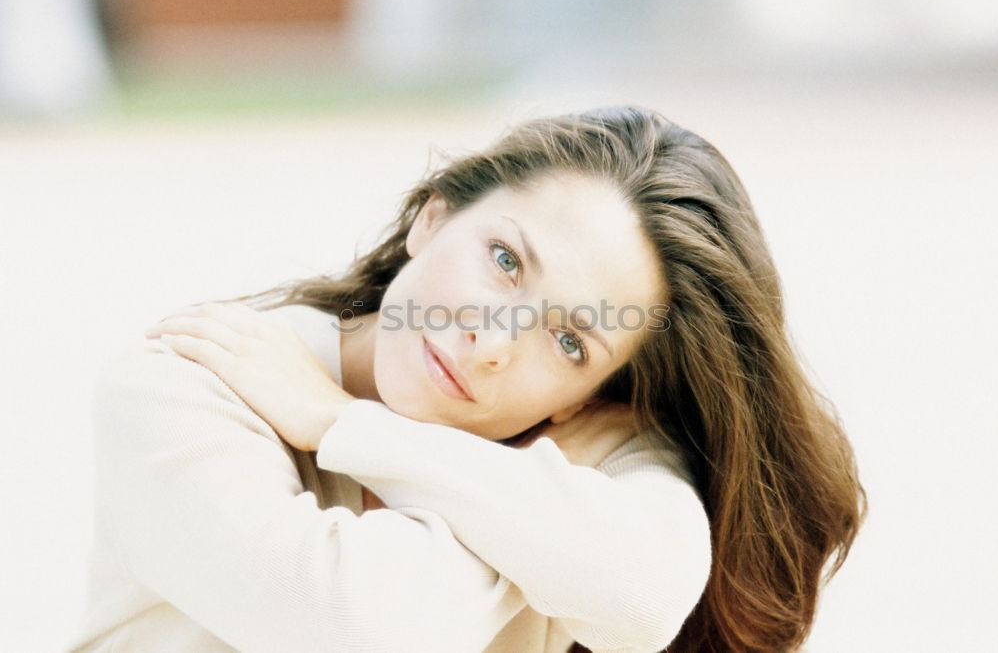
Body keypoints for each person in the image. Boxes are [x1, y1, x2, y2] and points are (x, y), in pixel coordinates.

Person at [67, 106, 867, 653]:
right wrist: (535, 518)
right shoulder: (185, 383)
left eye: (570, 339)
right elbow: (351, 623)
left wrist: (348, 427)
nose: (492, 340)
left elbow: (648, 598)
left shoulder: (604, 435)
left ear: (594, 394)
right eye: (506, 260)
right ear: (434, 217)